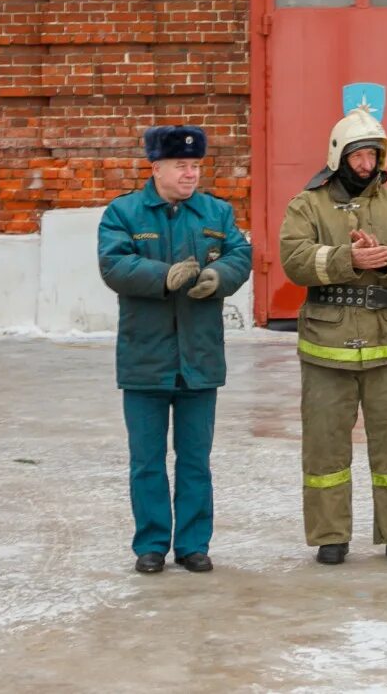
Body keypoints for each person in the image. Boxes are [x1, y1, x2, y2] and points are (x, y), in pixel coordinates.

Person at [278, 96, 387, 564]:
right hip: (326, 347)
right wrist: (348, 259)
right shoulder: (306, 206)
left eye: (373, 155)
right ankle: (331, 535)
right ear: (338, 157)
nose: (366, 164)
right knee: (326, 444)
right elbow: (293, 259)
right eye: (357, 156)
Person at [97, 125, 252, 574]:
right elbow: (113, 264)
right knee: (146, 461)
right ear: (156, 167)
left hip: (199, 358)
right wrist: (163, 277)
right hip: (145, 358)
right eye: (181, 166)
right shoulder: (124, 213)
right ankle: (150, 545)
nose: (190, 174)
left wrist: (219, 277)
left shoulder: (216, 213)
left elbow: (239, 255)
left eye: (196, 166)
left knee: (195, 460)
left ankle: (193, 544)